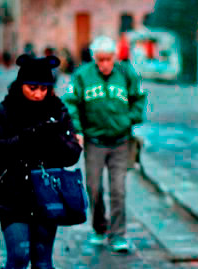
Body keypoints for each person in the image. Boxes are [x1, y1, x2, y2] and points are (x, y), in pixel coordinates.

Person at [0, 54, 83, 269]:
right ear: (22, 84)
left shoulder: (58, 109)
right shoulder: (5, 110)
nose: (38, 94)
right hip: (13, 193)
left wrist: (54, 138)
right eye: (32, 87)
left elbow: (72, 152)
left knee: (43, 258)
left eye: (43, 88)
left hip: (46, 195)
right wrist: (28, 136)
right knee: (18, 254)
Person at [63, 36, 147, 253]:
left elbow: (139, 98)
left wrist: (130, 119)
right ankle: (99, 227)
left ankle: (118, 234)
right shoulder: (83, 76)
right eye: (100, 60)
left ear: (115, 57)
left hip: (121, 141)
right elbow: (71, 103)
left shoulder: (126, 73)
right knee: (94, 188)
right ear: (94, 59)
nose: (104, 64)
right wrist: (78, 130)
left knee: (118, 190)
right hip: (94, 142)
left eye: (108, 59)